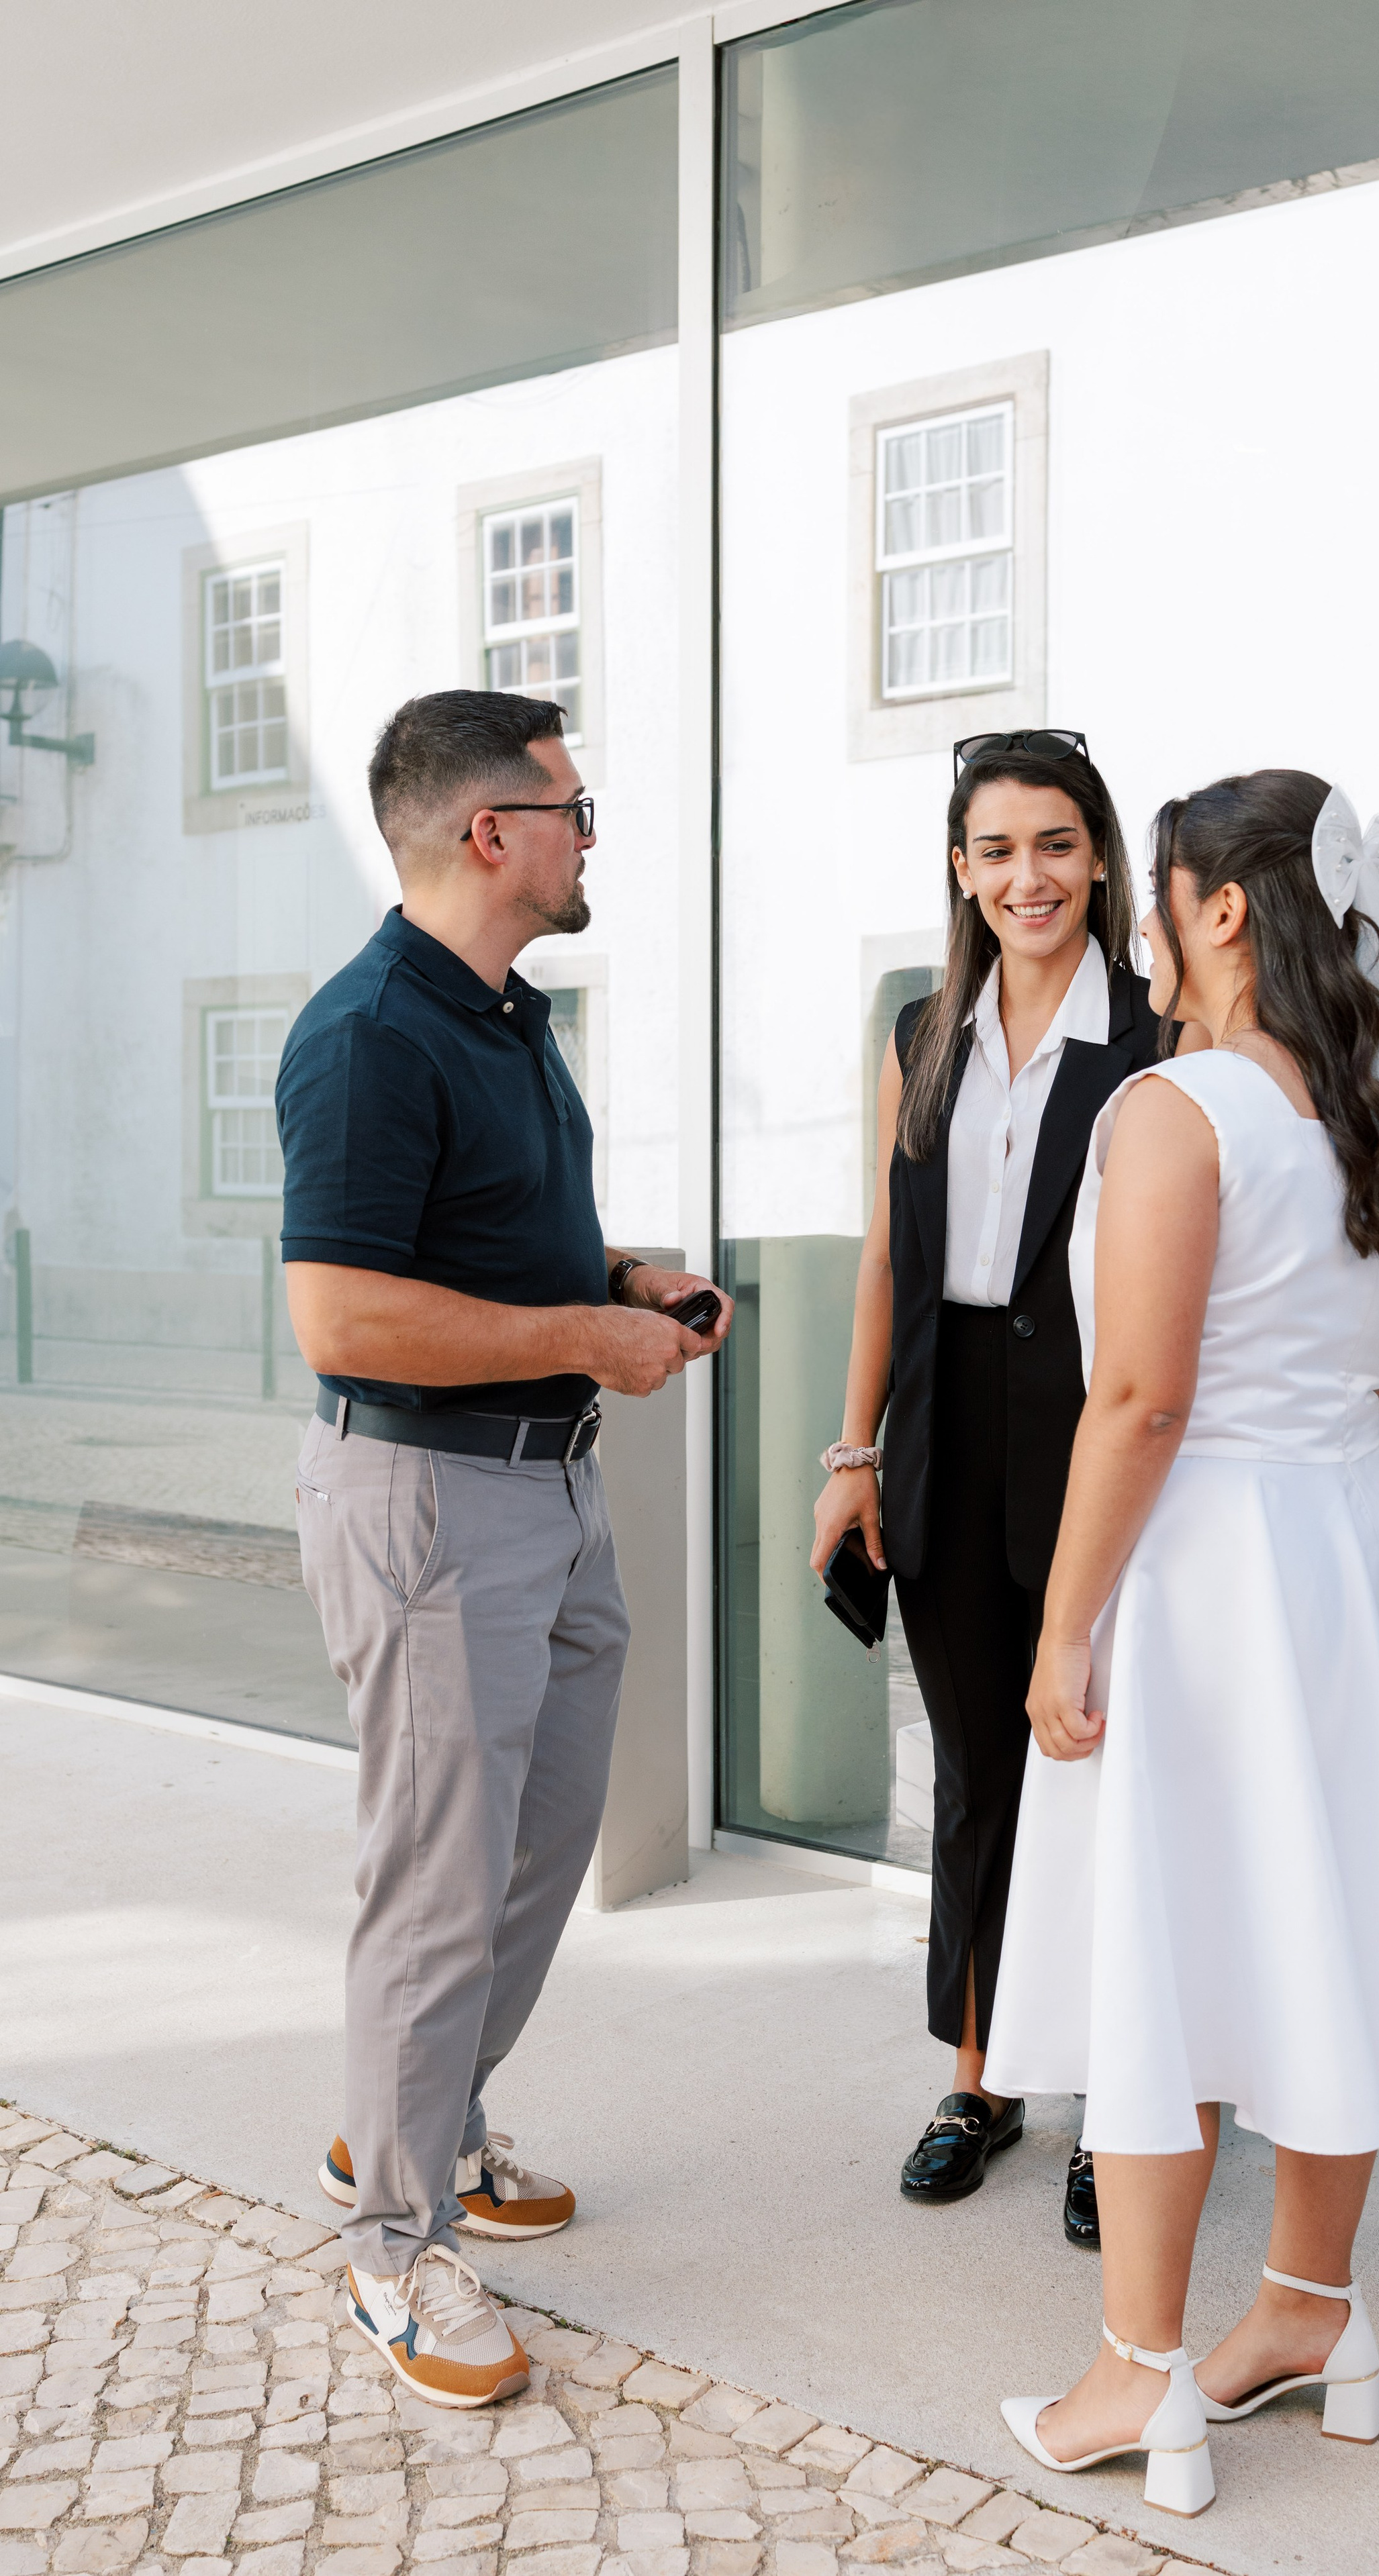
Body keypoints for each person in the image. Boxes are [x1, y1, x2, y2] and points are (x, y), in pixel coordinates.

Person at [984, 770, 1379, 2519]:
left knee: (1166, 1946)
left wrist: (1066, 1624)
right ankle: (1309, 2305)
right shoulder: (1374, 1105)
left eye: (1155, 891)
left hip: (1210, 1559)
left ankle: (1138, 2368)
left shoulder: (1177, 1108)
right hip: (1349, 1547)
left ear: (1221, 907)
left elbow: (1139, 1399)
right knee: (1313, 1928)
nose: (1139, 923)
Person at [277, 689, 731, 2410]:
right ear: (491, 832)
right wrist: (582, 1335)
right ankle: (393, 2248)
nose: (588, 834)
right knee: (438, 1881)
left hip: (549, 1493)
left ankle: (421, 2117)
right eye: (572, 808)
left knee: (535, 1851)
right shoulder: (368, 1034)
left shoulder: (503, 1015)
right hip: (428, 1502)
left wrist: (616, 1282)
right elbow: (342, 1315)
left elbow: (471, 1244)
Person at [809, 730, 1191, 2237]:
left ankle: (1114, 2101)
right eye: (995, 849)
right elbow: (887, 1253)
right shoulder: (921, 1031)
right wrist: (853, 1453)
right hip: (943, 1422)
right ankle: (979, 2076)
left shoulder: (1159, 1033)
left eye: (1053, 844)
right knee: (975, 1768)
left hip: (1095, 1424)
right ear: (959, 870)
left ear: (1097, 858)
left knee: (1101, 1760)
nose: (1025, 876)